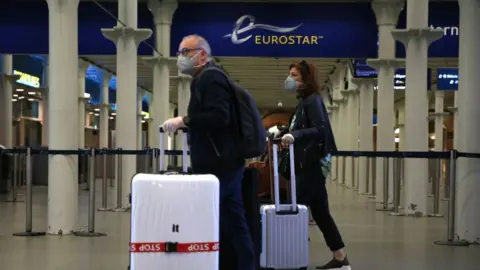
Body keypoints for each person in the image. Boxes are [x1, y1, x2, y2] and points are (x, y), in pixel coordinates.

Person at [161, 34, 256, 270]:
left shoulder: (210, 78)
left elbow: (219, 116)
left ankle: (204, 262)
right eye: (179, 53)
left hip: (219, 165)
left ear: (202, 55)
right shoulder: (206, 78)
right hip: (224, 162)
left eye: (185, 52)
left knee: (204, 216)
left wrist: (185, 120)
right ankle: (243, 264)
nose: (180, 58)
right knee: (233, 219)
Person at [270, 60, 351, 270]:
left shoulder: (312, 101)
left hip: (310, 165)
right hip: (310, 164)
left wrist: (293, 135)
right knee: (321, 213)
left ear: (306, 79)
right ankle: (340, 258)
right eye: (290, 75)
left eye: (295, 76)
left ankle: (290, 258)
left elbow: (319, 131)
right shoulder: (305, 101)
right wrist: (284, 130)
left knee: (294, 211)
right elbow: (304, 127)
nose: (290, 79)